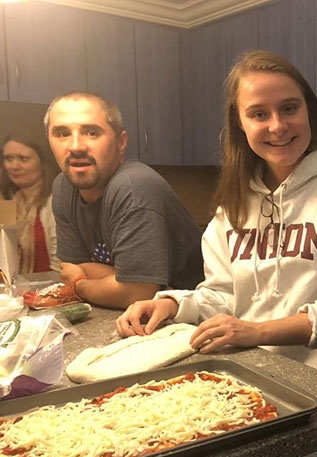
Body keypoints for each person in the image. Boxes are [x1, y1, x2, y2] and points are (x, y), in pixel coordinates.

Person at [115, 51, 317, 457]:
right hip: (246, 393)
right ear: (239, 123)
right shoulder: (234, 200)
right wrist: (170, 303)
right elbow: (221, 295)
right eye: (259, 113)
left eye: (290, 108)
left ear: (311, 112)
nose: (277, 125)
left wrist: (253, 331)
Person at [45, 91, 204, 309]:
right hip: (127, 315)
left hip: (190, 318)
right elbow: (71, 266)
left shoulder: (133, 186)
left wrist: (80, 284)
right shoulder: (63, 186)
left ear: (121, 143)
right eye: (62, 133)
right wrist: (115, 281)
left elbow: (137, 293)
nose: (76, 146)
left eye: (91, 132)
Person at [1, 134, 59, 274]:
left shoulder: (55, 200)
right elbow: (5, 254)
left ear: (42, 162)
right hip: (17, 289)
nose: (15, 166)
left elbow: (61, 263)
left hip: (52, 286)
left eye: (23, 159)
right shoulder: (10, 201)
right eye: (9, 159)